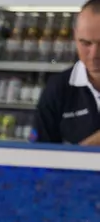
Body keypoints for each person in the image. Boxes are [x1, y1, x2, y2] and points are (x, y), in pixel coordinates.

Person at [33, 1, 100, 147]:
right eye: (85, 43)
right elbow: (39, 153)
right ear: (75, 37)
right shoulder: (57, 88)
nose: (94, 54)